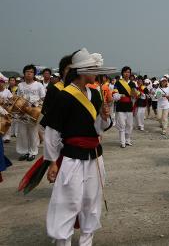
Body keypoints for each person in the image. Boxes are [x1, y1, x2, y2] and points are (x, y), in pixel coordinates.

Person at [45, 48, 113, 246]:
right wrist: (51, 162)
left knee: (91, 202)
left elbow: (99, 129)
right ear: (82, 71)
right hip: (72, 157)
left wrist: (104, 116)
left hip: (94, 156)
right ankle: (62, 242)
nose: (97, 74)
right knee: (68, 201)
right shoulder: (64, 96)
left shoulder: (95, 94)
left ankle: (86, 242)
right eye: (93, 70)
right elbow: (52, 132)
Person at [16, 64, 46, 161]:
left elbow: (43, 98)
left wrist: (37, 105)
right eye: (27, 71)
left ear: (34, 74)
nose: (29, 73)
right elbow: (18, 98)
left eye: (31, 72)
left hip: (33, 112)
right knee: (22, 133)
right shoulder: (20, 85)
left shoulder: (38, 85)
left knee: (32, 132)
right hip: (22, 112)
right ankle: (24, 151)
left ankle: (33, 152)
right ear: (24, 73)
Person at [112, 66, 136, 148]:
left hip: (129, 106)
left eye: (128, 72)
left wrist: (135, 94)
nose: (127, 73)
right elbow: (114, 95)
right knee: (122, 124)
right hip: (120, 106)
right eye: (125, 72)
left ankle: (127, 140)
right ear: (122, 73)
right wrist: (120, 95)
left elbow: (134, 95)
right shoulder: (118, 83)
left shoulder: (132, 83)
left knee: (129, 125)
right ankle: (122, 142)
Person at [0, 78, 13, 142]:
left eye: (1, 82)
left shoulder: (7, 91)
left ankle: (7, 137)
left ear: (4, 83)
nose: (0, 84)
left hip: (6, 109)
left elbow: (11, 100)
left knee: (7, 122)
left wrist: (7, 103)